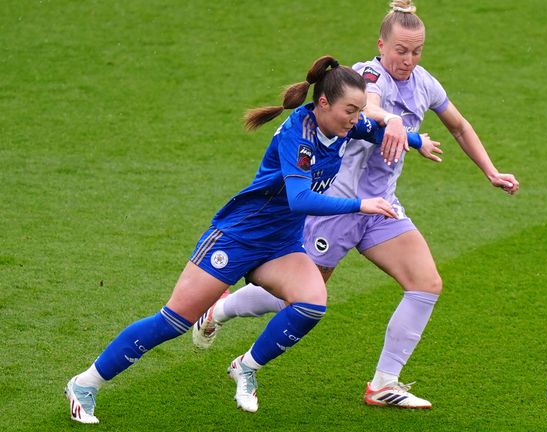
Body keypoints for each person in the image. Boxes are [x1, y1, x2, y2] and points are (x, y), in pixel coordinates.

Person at [63, 55, 439, 424]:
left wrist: (416, 138)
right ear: (322, 103)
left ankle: (245, 367)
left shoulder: (342, 126)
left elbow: (376, 130)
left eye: (360, 111)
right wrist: (363, 203)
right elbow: (300, 199)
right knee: (174, 321)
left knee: (312, 304)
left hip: (281, 243)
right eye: (351, 111)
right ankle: (84, 384)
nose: (357, 119)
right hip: (238, 236)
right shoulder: (299, 134)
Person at [192, 0, 520, 410]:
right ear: (381, 44)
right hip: (340, 207)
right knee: (300, 296)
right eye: (400, 50)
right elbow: (372, 104)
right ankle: (222, 309)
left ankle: (384, 383)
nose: (408, 59)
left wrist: (490, 171)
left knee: (426, 284)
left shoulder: (424, 83)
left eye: (416, 51)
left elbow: (459, 125)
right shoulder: (368, 75)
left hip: (381, 208)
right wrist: (391, 120)